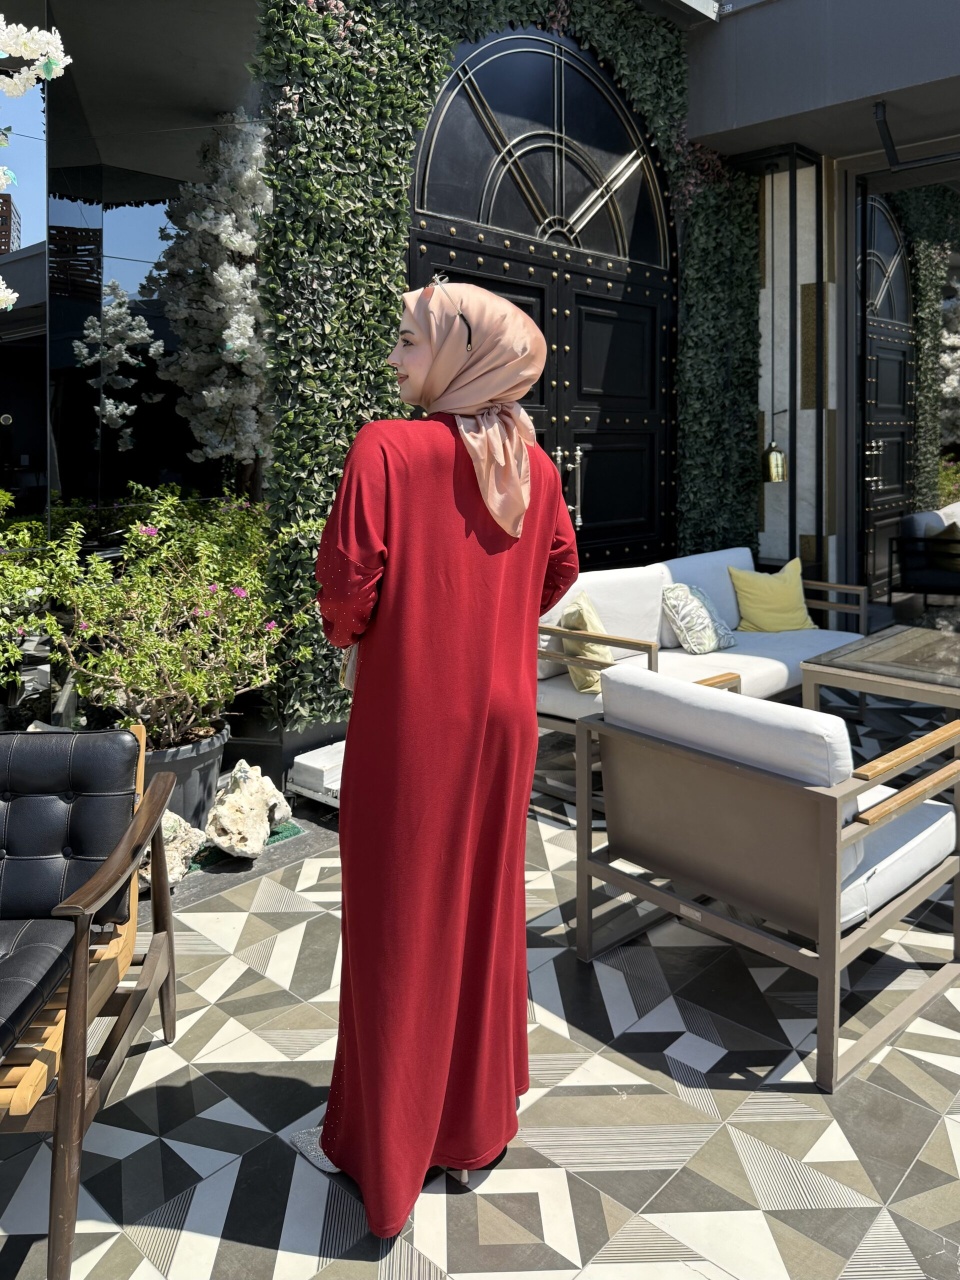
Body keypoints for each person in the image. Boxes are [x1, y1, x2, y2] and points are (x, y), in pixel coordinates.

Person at [296, 277, 579, 1237]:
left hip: (413, 721)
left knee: (399, 920)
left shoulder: (386, 447)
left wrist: (394, 631)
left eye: (409, 341)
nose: (394, 358)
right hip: (504, 720)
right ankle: (470, 1126)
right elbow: (559, 570)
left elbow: (346, 592)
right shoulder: (532, 463)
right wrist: (491, 617)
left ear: (464, 351)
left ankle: (390, 1149)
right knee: (483, 910)